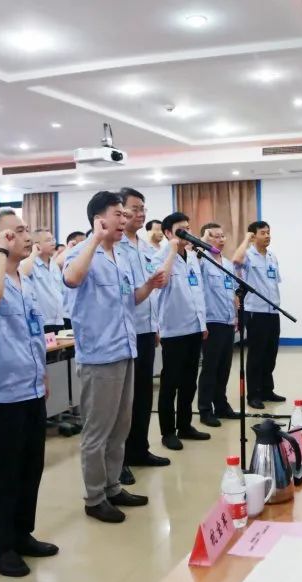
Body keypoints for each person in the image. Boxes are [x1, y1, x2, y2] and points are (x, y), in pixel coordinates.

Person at [62, 192, 164, 523]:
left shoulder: (120, 255)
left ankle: (113, 486)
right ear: (99, 219)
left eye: (125, 214)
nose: (125, 220)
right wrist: (94, 239)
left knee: (121, 427)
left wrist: (150, 286)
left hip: (126, 348)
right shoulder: (81, 252)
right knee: (98, 431)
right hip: (99, 355)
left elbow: (130, 299)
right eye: (118, 214)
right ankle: (94, 497)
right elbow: (72, 279)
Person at [0, 209, 58, 577]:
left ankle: (22, 534)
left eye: (25, 230)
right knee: (3, 474)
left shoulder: (25, 280)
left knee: (30, 468)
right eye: (17, 231)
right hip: (1, 394)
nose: (26, 236)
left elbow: (34, 334)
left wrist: (43, 374)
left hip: (31, 387)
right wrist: (0, 256)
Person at [118, 189, 170, 486]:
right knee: (125, 400)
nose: (141, 214)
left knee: (143, 394)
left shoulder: (145, 246)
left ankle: (140, 449)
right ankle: (120, 459)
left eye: (143, 209)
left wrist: (156, 324)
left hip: (147, 328)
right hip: (126, 331)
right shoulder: (116, 246)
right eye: (135, 208)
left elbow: (153, 286)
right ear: (120, 211)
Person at [154, 212, 210, 450]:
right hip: (173, 330)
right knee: (170, 384)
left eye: (188, 228)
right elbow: (161, 282)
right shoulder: (160, 257)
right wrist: (171, 250)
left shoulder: (193, 257)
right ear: (168, 233)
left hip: (194, 328)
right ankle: (168, 432)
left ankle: (185, 426)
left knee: (189, 382)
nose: (187, 233)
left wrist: (203, 324)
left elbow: (197, 293)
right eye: (181, 229)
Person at [233, 220, 285, 410]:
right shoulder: (248, 256)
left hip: (273, 311)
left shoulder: (272, 256)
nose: (268, 236)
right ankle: (253, 394)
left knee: (270, 354)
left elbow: (274, 283)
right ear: (254, 236)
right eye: (263, 233)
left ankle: (266, 390)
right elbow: (236, 261)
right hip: (256, 312)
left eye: (268, 232)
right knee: (256, 355)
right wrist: (247, 238)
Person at [196, 223, 243, 426]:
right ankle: (205, 409)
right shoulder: (201, 261)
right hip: (211, 321)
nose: (221, 239)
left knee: (224, 367)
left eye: (222, 236)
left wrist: (236, 316)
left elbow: (233, 292)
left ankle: (221, 406)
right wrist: (202, 242)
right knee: (210, 368)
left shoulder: (227, 264)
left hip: (227, 320)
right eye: (215, 236)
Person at [21, 229, 65, 333]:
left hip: (58, 321)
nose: (53, 243)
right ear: (36, 245)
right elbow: (23, 273)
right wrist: (34, 253)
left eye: (53, 239)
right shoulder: (30, 263)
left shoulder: (54, 265)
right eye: (48, 240)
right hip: (41, 322)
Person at [57, 231, 86, 330]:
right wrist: (69, 248)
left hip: (82, 312)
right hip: (67, 313)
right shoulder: (67, 258)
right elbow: (57, 263)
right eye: (81, 242)